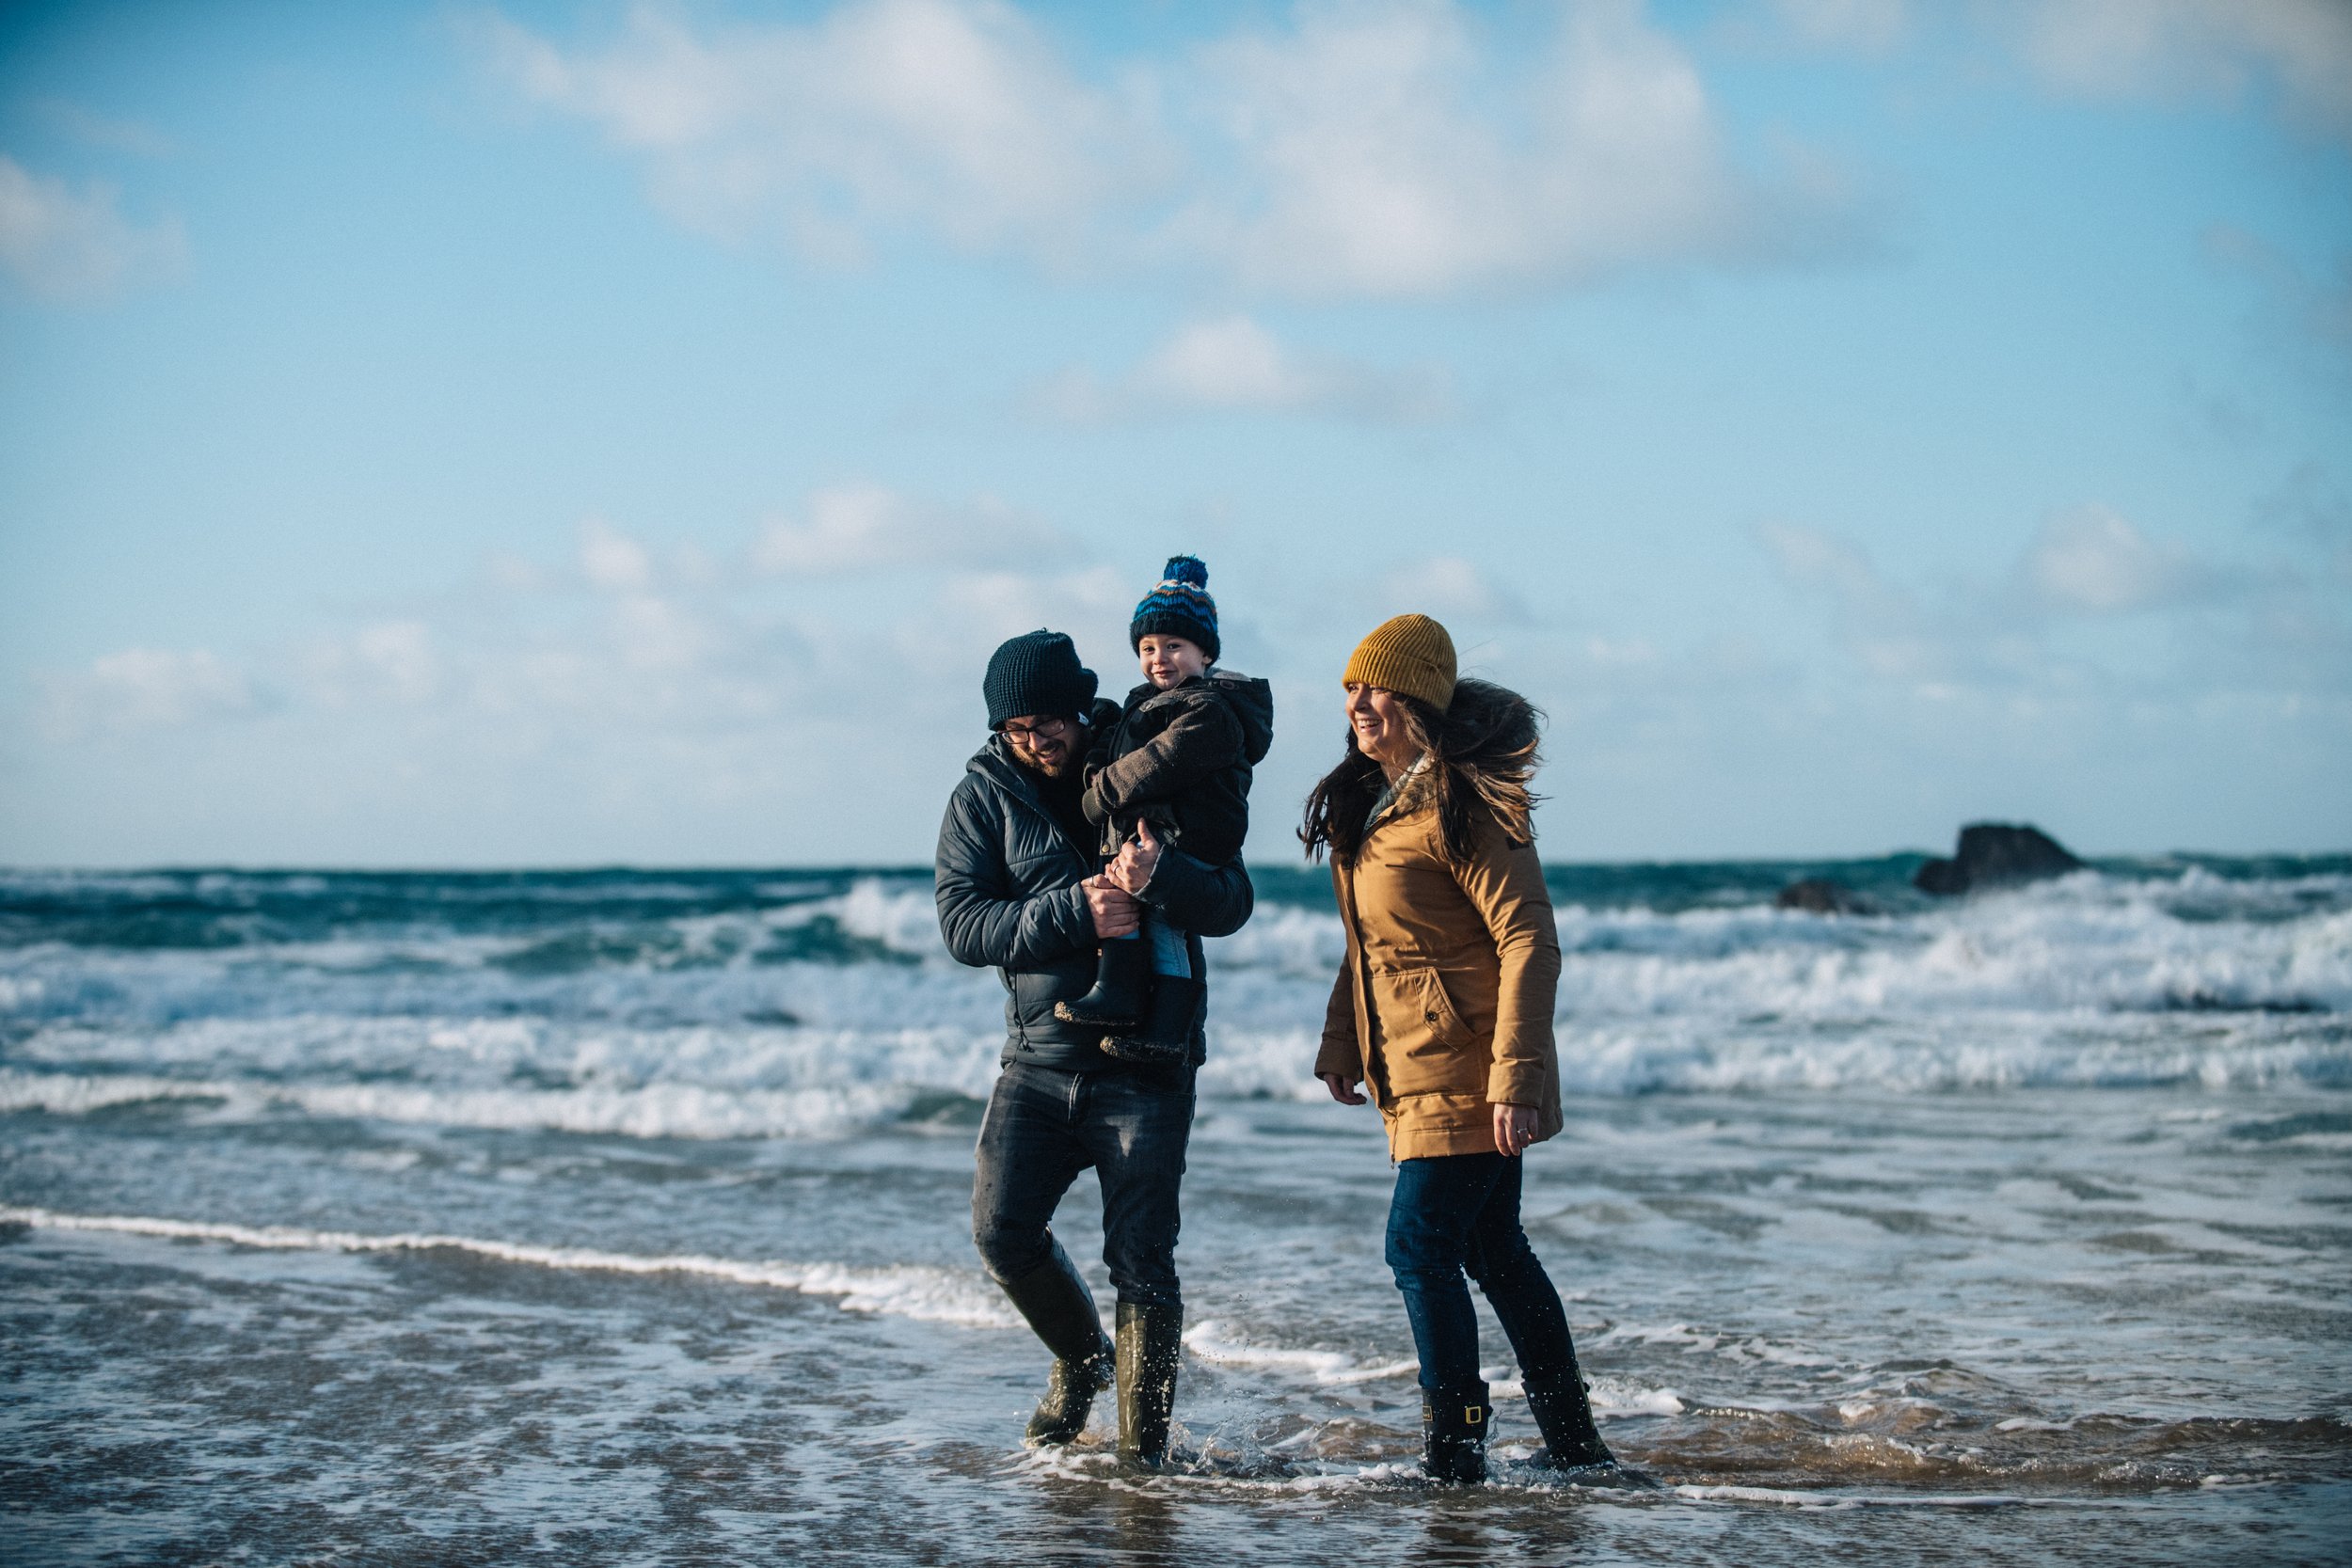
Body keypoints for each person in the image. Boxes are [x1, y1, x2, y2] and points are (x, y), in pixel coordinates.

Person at [1302, 613, 1618, 1485]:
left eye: (1375, 688)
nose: (1357, 704)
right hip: (1413, 1064)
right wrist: (1342, 1043)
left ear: (1418, 699)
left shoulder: (1464, 803)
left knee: (1418, 1245)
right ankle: (1574, 1443)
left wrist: (1514, 1077)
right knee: (1491, 1247)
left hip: (1472, 1069)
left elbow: (1530, 940)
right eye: (1351, 689)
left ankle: (1455, 1447)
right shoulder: (1378, 800)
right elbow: (1373, 944)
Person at [935, 627, 1256, 1469]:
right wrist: (1076, 912)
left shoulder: (1145, 747)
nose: (1036, 740)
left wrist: (1161, 881)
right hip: (1038, 1062)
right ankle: (1081, 1364)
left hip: (1147, 1063)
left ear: (1082, 707)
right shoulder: (983, 794)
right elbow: (962, 922)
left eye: (1049, 721)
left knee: (1143, 1261)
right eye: (1017, 729)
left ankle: (1141, 1462)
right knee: (1002, 1231)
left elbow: (1231, 894)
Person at [1056, 556, 1274, 1063]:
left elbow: (1159, 761)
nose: (1160, 658)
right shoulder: (1145, 701)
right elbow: (1110, 745)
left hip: (1192, 838)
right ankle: (1119, 995)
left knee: (1164, 923)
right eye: (1148, 648)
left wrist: (1102, 792)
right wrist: (1094, 765)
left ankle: (1169, 1028)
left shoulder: (1209, 709)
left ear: (1204, 652)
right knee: (1125, 902)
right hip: (1154, 835)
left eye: (1175, 646)